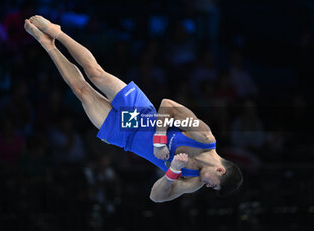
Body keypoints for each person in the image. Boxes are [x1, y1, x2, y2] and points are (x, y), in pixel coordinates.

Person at [24, 15, 243, 202]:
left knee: (81, 91)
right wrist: (159, 141)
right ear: (220, 171)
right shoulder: (203, 136)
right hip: (140, 114)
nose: (207, 186)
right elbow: (169, 105)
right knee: (95, 73)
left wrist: (173, 170)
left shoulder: (192, 179)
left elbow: (156, 196)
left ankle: (48, 44)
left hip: (125, 136)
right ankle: (57, 32)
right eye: (213, 185)